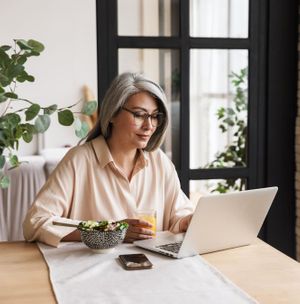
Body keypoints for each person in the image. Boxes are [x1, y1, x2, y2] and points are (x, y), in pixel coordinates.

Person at [23, 72, 194, 247]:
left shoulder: (159, 161)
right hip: (90, 269)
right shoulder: (79, 160)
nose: (149, 125)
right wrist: (110, 231)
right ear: (113, 114)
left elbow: (178, 215)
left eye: (154, 116)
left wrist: (186, 221)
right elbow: (36, 222)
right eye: (139, 114)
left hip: (152, 267)